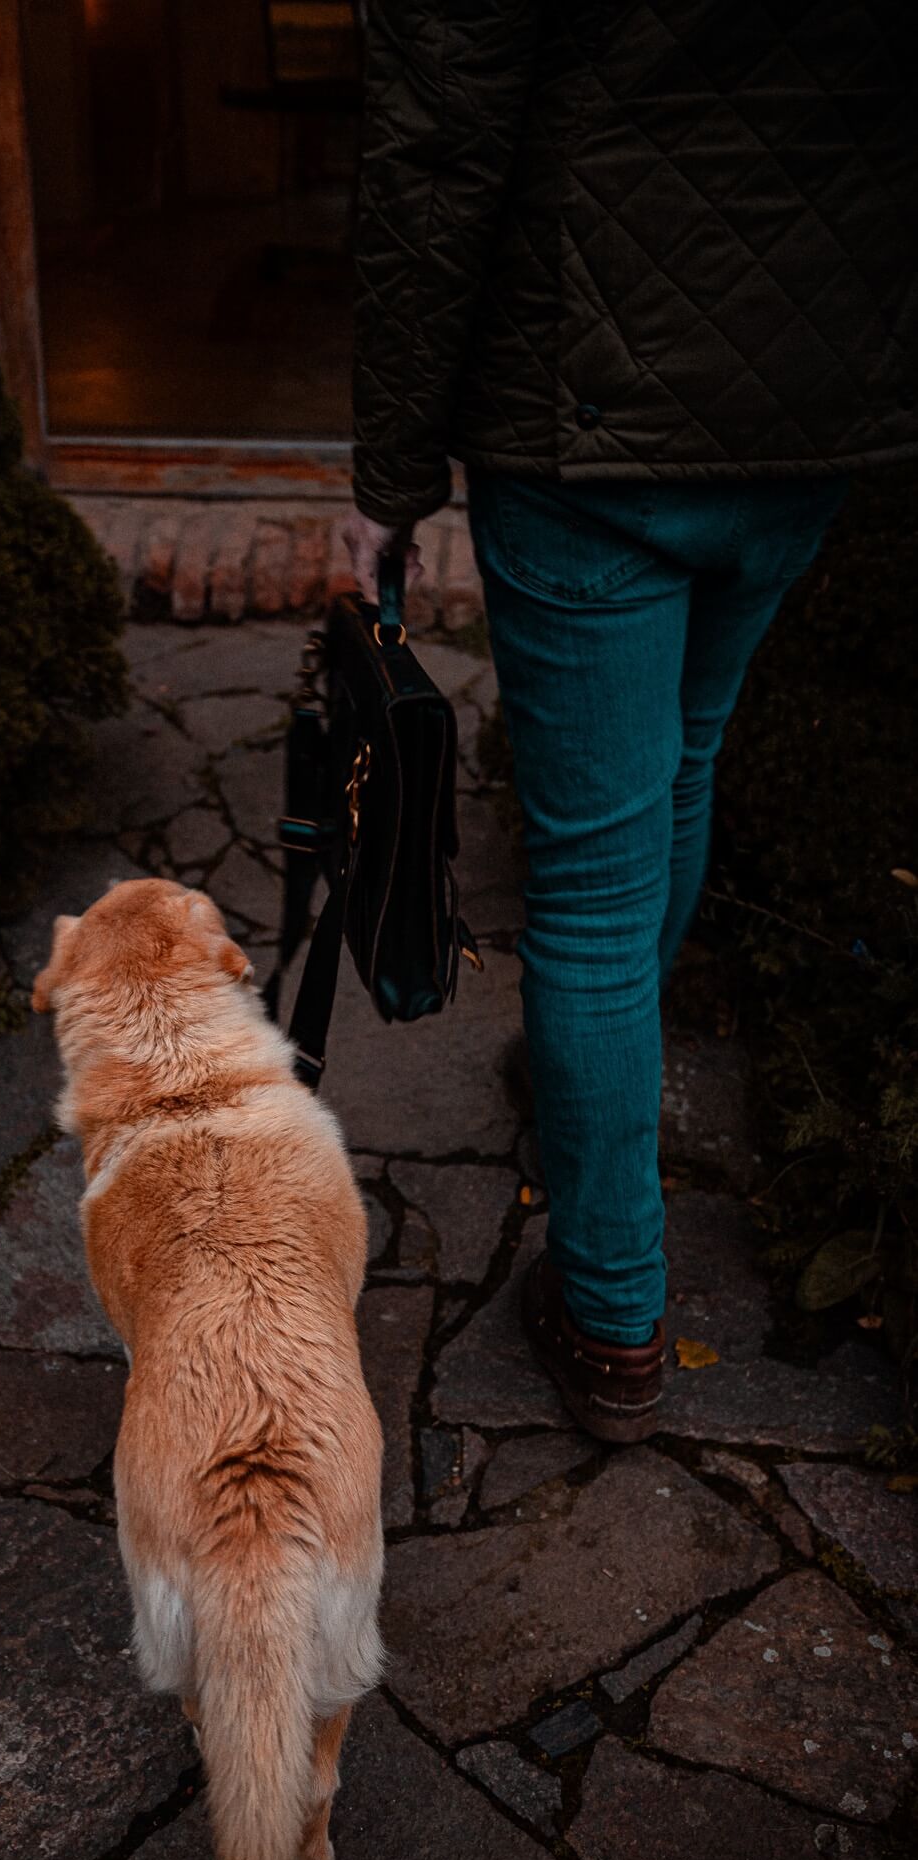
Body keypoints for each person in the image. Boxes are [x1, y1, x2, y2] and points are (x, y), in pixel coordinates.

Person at [344, 1, 917, 1442]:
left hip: (588, 415)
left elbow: (435, 144)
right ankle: (582, 1075)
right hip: (811, 403)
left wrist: (386, 474)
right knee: (683, 757)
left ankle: (609, 1314)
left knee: (592, 890)